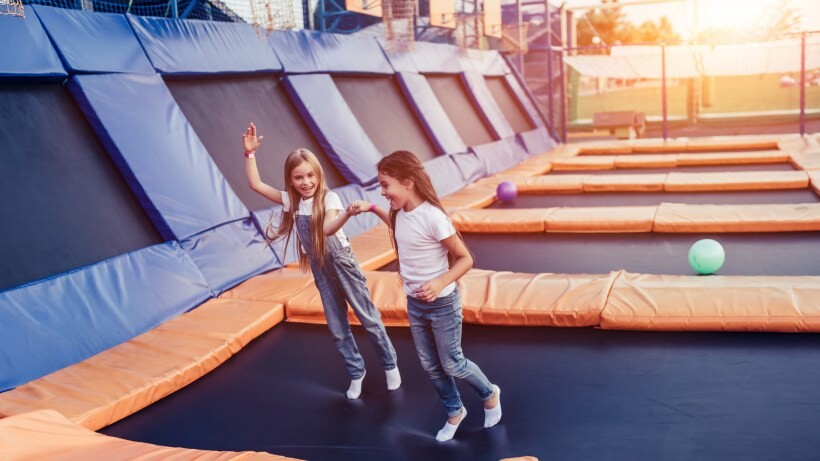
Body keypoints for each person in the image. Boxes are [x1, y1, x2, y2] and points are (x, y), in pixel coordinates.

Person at [348, 150, 501, 442]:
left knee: (453, 362)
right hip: (415, 304)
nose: (383, 192)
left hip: (443, 303)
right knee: (430, 365)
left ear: (408, 183)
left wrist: (439, 281)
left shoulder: (434, 218)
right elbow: (399, 226)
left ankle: (489, 393)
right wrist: (370, 207)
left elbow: (465, 258)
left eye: (385, 185)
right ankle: (455, 411)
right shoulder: (399, 213)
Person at [243, 122, 400, 399]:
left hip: (342, 262)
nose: (306, 182)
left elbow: (328, 226)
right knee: (337, 328)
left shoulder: (330, 199)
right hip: (320, 268)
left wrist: (345, 216)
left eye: (310, 176)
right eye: (299, 178)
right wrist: (250, 154)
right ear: (290, 181)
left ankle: (390, 364)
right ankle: (356, 371)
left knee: (367, 317)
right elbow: (255, 184)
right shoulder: (292, 202)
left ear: (319, 175)